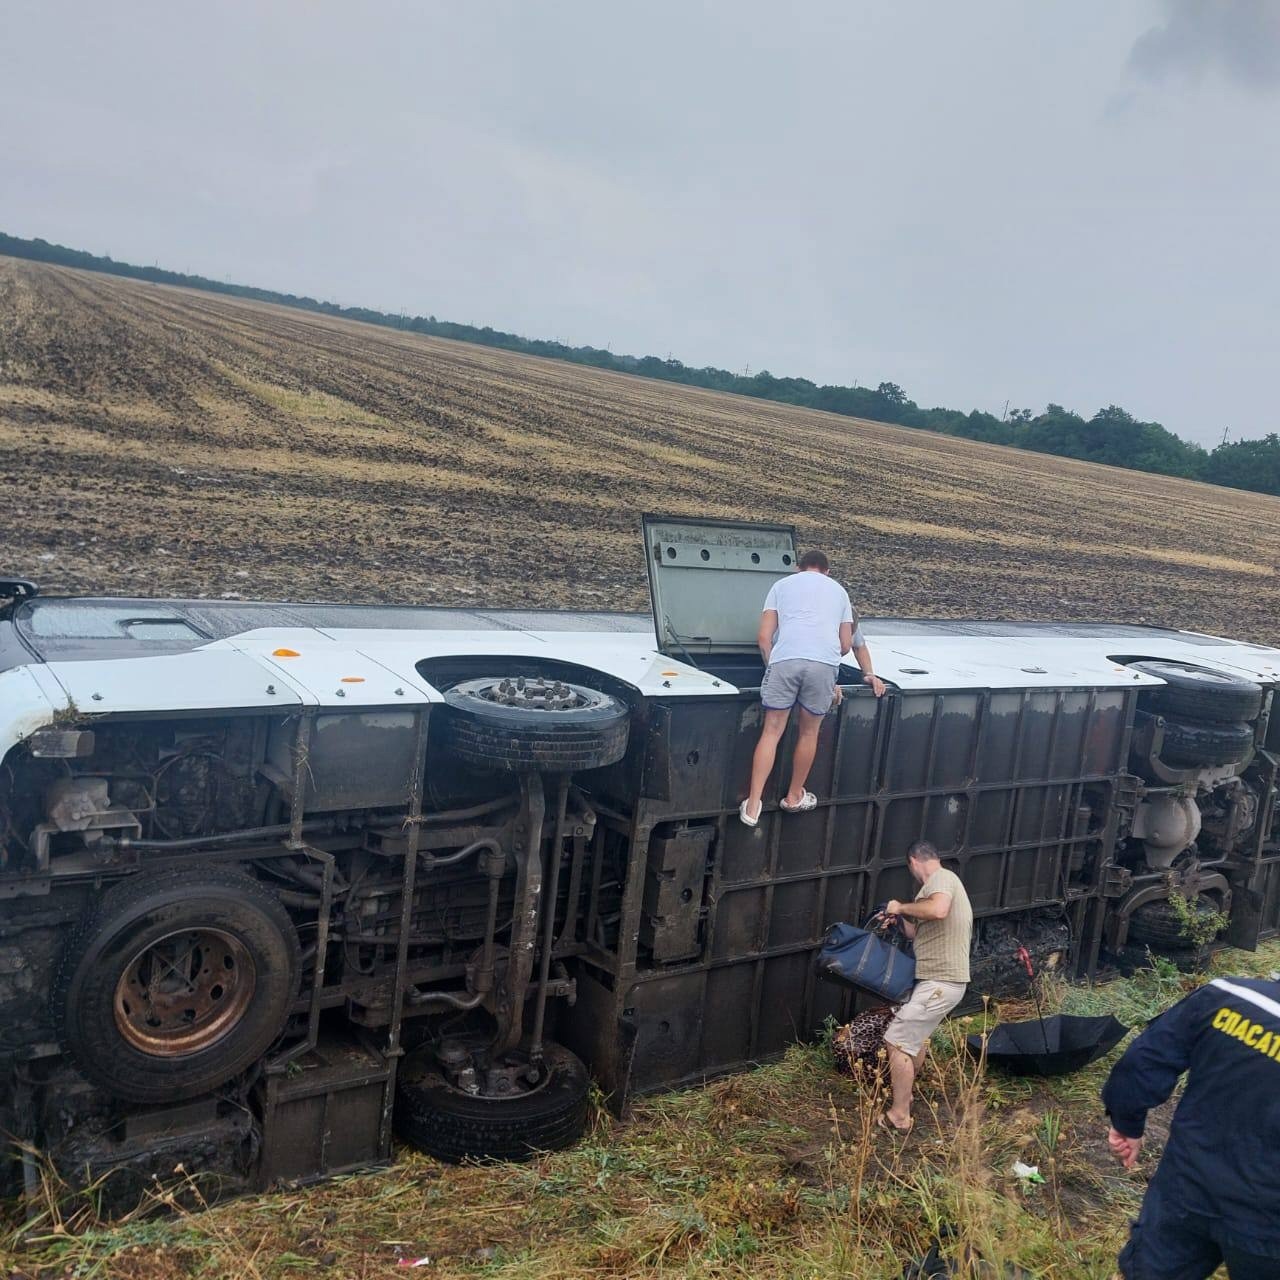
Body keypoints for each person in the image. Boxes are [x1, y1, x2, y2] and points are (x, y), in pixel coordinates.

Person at [1101, 973, 1280, 1278]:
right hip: (1267, 1221)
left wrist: (1127, 1125)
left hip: (1184, 1192)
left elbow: (1142, 1062)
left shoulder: (1226, 997)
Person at [739, 550, 884, 827]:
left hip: (785, 660)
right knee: (809, 732)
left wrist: (773, 665)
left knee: (771, 731)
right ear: (827, 571)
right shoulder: (839, 592)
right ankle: (794, 797)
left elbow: (763, 637)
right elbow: (845, 644)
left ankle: (753, 805)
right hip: (822, 666)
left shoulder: (781, 586)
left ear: (798, 568)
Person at [878, 841, 972, 1132]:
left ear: (913, 861)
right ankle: (905, 1095)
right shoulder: (936, 888)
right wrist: (898, 920)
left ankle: (899, 1115)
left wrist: (900, 905)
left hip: (941, 982)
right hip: (936, 981)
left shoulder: (942, 879)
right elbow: (918, 932)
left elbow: (939, 910)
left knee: (896, 1041)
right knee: (912, 1041)